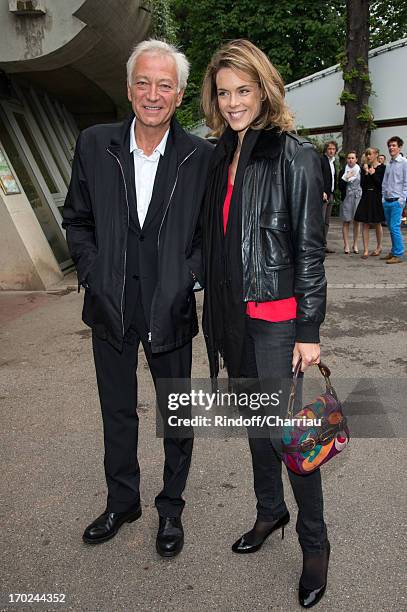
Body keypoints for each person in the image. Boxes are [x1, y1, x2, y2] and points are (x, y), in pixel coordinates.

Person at [62, 39, 212, 556]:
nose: (153, 94)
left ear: (179, 93)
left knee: (176, 415)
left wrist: (185, 277)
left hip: (169, 308)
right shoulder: (94, 144)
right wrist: (95, 272)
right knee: (117, 411)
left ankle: (171, 509)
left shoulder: (202, 157)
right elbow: (76, 218)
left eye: (164, 84)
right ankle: (122, 502)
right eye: (144, 82)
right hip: (111, 306)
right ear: (129, 89)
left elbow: (207, 237)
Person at [201, 39, 329, 609]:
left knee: (291, 436)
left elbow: (309, 252)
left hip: (278, 322)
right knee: (257, 429)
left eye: (243, 91)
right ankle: (269, 512)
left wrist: (309, 329)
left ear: (265, 89)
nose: (232, 103)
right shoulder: (219, 155)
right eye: (224, 92)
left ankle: (315, 543)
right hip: (231, 317)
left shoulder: (295, 156)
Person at [354, 147, 385, 258]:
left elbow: (380, 184)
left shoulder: (382, 168)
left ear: (376, 154)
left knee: (377, 222)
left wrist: (373, 174)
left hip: (376, 196)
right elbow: (362, 185)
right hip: (366, 196)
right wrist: (366, 173)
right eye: (367, 154)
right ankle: (366, 250)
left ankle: (379, 246)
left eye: (370, 154)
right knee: (365, 223)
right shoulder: (365, 168)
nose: (368, 156)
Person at [381, 136, 407, 264]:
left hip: (397, 201)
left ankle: (398, 254)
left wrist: (401, 200)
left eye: (394, 145)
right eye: (390, 146)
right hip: (387, 201)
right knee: (391, 228)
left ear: (399, 147)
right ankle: (394, 251)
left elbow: (406, 183)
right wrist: (383, 198)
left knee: (395, 227)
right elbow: (385, 183)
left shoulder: (404, 163)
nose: (391, 148)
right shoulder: (389, 164)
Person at [338, 151, 362, 254]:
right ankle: (346, 245)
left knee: (357, 222)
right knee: (346, 221)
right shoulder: (343, 170)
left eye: (352, 158)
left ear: (356, 159)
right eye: (349, 158)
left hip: (358, 198)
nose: (350, 160)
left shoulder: (360, 170)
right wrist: (346, 177)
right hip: (347, 197)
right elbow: (340, 187)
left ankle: (355, 244)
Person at [320, 140, 338, 253]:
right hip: (323, 195)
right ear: (326, 150)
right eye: (329, 149)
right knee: (320, 221)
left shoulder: (333, 162)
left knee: (326, 221)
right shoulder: (322, 160)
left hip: (330, 194)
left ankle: (323, 243)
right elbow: (318, 176)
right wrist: (321, 191)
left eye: (333, 149)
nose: (331, 151)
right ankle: (318, 246)